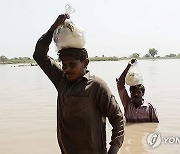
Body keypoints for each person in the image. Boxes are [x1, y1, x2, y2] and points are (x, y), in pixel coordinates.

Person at [33, 14, 124, 154]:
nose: (67, 69)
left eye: (72, 65)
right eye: (64, 65)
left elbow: (118, 120)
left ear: (85, 63)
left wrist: (113, 150)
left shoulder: (97, 86)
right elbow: (39, 55)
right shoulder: (61, 81)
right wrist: (52, 29)